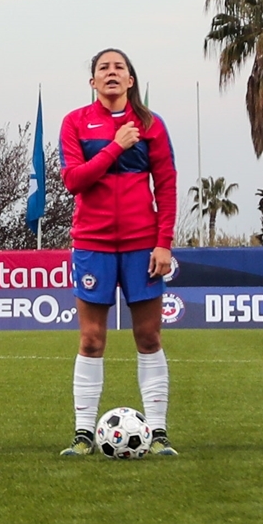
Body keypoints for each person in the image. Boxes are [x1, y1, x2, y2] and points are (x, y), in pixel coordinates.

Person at [59, 49, 179, 456]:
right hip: (92, 243)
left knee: (148, 336)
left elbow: (166, 184)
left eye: (119, 68)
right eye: (103, 68)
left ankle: (158, 432)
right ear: (92, 82)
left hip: (142, 244)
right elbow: (74, 180)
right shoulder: (75, 122)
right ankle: (83, 434)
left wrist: (163, 242)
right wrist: (114, 147)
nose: (111, 73)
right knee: (92, 340)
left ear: (130, 80)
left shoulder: (150, 124)